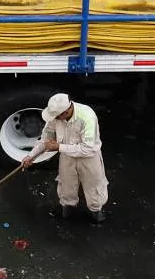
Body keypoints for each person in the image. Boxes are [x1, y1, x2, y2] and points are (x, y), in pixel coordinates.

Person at [21, 93, 108, 223]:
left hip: (89, 157)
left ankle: (96, 211)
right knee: (66, 185)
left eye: (56, 117)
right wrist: (30, 156)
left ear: (65, 113)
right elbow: (45, 140)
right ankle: (67, 209)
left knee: (94, 186)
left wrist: (59, 147)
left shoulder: (87, 116)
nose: (54, 119)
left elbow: (87, 149)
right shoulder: (55, 117)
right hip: (67, 155)